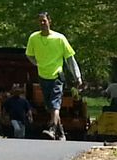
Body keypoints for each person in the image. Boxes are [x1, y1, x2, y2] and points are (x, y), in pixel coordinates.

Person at [24, 11, 79, 140]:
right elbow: (29, 54)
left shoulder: (59, 38)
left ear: (49, 21)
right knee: (50, 106)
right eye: (40, 21)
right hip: (43, 75)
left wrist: (77, 77)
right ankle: (61, 133)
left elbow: (70, 58)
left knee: (55, 103)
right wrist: (37, 63)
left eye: (44, 20)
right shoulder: (34, 38)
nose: (42, 23)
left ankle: (52, 129)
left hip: (57, 76)